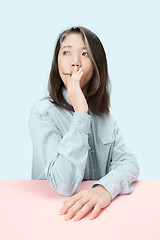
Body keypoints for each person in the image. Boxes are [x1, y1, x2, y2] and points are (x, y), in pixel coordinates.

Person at [29, 26, 140, 222]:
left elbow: (129, 163)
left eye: (85, 54)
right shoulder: (43, 114)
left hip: (97, 217)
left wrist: (104, 189)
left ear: (97, 64)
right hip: (51, 217)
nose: (75, 62)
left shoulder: (105, 117)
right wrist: (81, 113)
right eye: (66, 52)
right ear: (57, 63)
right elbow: (64, 185)